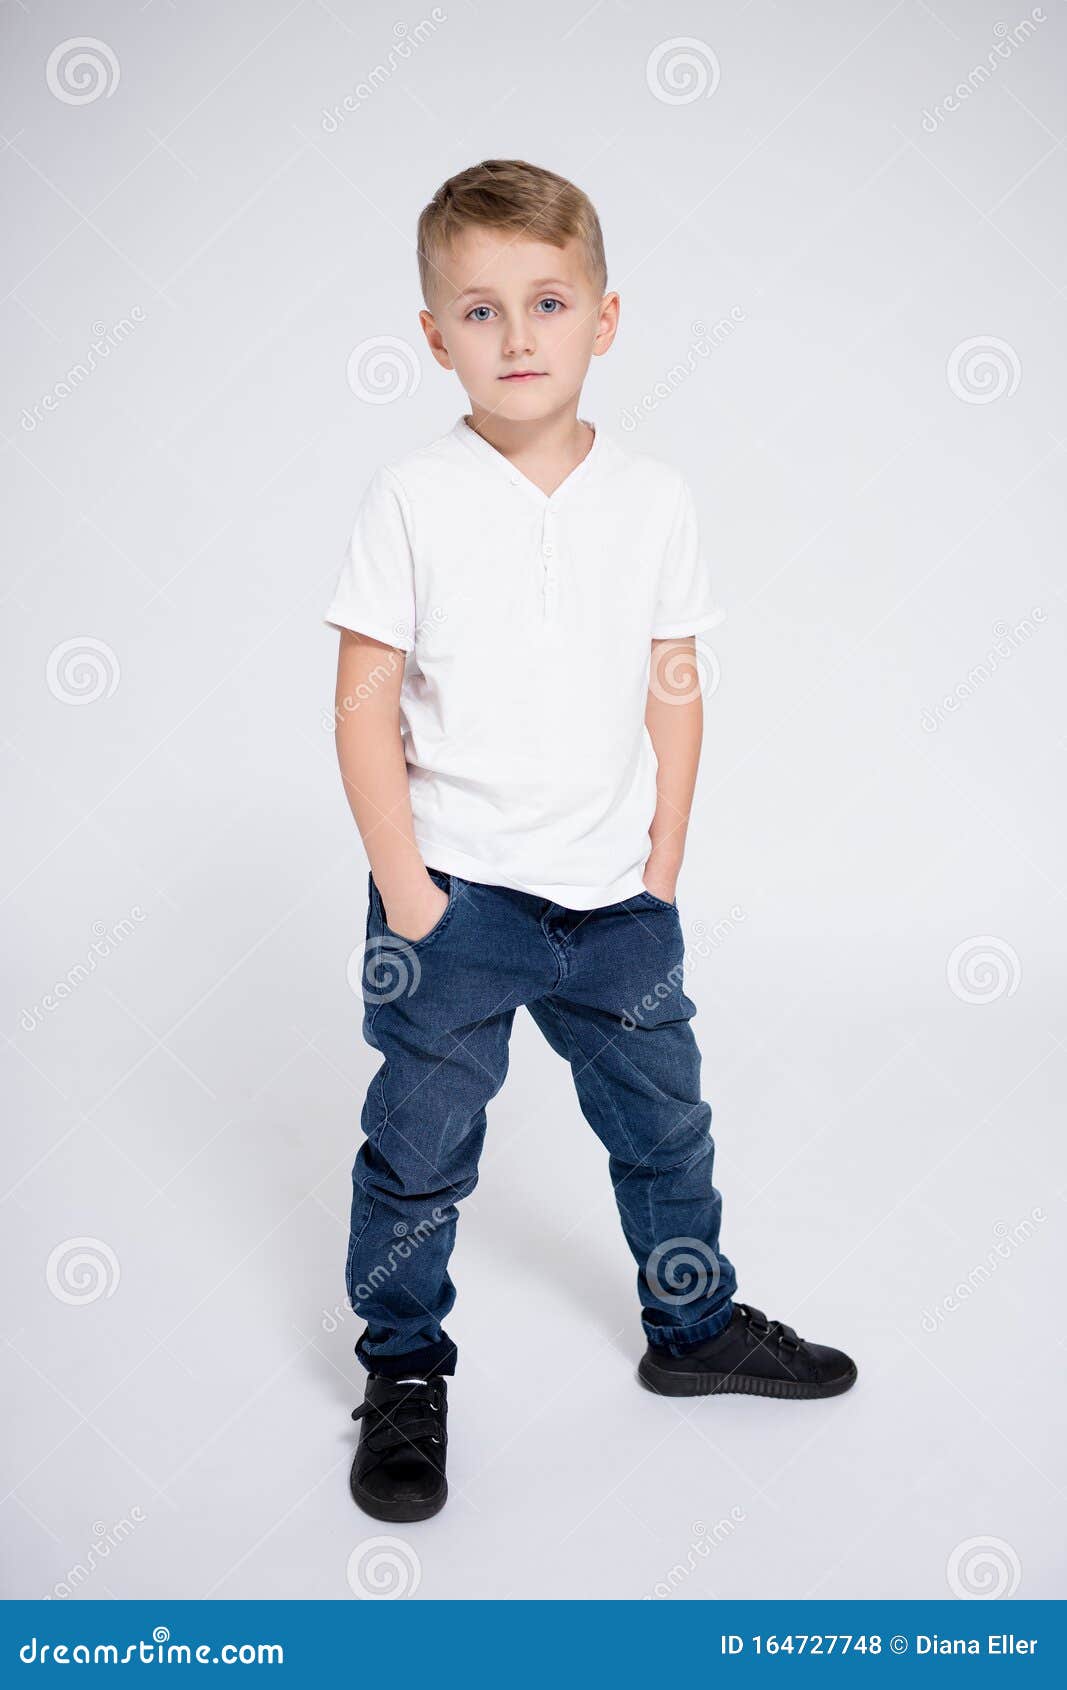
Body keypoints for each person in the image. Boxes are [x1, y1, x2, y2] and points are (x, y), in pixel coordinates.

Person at [325, 158, 856, 1524]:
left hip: (617, 902)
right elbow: (364, 697)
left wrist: (662, 862)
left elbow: (673, 681)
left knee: (668, 1128)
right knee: (421, 1149)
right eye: (480, 310)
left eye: (547, 301)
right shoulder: (412, 497)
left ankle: (692, 1326)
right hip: (457, 896)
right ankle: (402, 1369)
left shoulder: (655, 497)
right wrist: (410, 892)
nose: (517, 336)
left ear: (602, 320)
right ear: (435, 335)